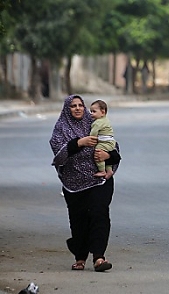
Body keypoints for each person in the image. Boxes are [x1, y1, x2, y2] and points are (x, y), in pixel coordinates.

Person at [49, 94, 121, 272]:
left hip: (99, 180)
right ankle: (80, 257)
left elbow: (114, 149)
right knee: (78, 220)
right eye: (73, 106)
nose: (78, 108)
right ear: (67, 109)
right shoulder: (61, 129)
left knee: (99, 214)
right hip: (73, 184)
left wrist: (108, 156)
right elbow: (59, 157)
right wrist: (79, 143)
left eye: (81, 105)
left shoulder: (97, 122)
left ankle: (99, 257)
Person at [89, 100, 116, 178]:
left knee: (98, 152)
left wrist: (90, 139)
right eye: (91, 111)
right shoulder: (105, 120)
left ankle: (102, 171)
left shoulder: (97, 123)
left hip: (105, 143)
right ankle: (109, 170)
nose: (91, 114)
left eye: (94, 111)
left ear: (103, 112)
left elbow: (93, 134)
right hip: (110, 142)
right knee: (105, 154)